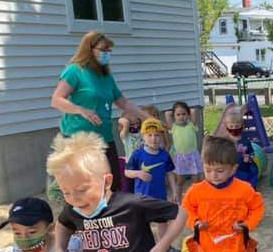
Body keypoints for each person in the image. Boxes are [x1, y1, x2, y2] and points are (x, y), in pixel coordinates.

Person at [47, 132, 182, 252]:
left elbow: (181, 213)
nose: (74, 198)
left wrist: (162, 246)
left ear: (107, 181)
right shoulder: (74, 210)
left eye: (81, 189)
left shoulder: (132, 204)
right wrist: (60, 249)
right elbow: (63, 223)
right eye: (66, 192)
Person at [50, 31, 147, 191]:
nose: (106, 54)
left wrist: (147, 117)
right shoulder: (75, 71)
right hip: (79, 140)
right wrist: (81, 110)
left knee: (112, 185)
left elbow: (123, 102)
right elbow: (57, 100)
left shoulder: (106, 76)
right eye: (103, 50)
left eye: (109, 51)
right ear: (89, 49)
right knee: (84, 187)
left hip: (104, 138)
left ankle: (109, 215)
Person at [172, 136, 265, 252]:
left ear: (233, 169)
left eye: (219, 171)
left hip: (237, 250)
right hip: (207, 251)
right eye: (208, 170)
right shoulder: (196, 190)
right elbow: (186, 209)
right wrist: (195, 222)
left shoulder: (244, 189)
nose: (213, 175)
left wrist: (247, 224)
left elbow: (257, 207)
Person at [124, 118, 178, 203]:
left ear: (161, 136)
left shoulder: (165, 155)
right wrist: (139, 173)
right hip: (142, 198)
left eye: (157, 135)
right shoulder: (137, 154)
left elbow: (170, 174)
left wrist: (174, 191)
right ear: (143, 136)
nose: (153, 138)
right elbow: (127, 172)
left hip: (160, 197)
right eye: (149, 135)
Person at [166, 101, 203, 206]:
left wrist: (189, 112)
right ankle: (178, 200)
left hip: (192, 156)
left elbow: (194, 111)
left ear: (188, 115)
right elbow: (167, 115)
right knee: (180, 181)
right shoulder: (173, 127)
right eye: (178, 114)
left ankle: (198, 199)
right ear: (174, 116)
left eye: (184, 114)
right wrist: (172, 113)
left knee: (196, 179)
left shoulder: (191, 125)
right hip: (180, 158)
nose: (181, 117)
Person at [223, 106, 259, 189]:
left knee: (253, 170)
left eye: (236, 126)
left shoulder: (245, 140)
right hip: (231, 167)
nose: (234, 129)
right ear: (226, 126)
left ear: (242, 126)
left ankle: (250, 188)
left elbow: (252, 152)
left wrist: (249, 157)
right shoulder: (226, 140)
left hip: (244, 166)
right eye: (231, 127)